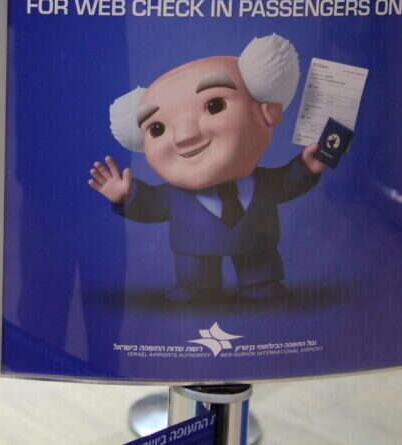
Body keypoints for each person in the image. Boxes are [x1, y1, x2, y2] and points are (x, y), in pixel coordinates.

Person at [91, 34, 330, 302]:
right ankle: (196, 288)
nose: (185, 136)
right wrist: (127, 197)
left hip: (256, 240)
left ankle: (260, 282)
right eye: (156, 128)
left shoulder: (262, 184)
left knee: (259, 267)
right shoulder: (176, 196)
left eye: (215, 105)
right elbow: (152, 204)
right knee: (195, 277)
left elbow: (284, 183)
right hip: (193, 247)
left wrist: (305, 167)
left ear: (267, 112)